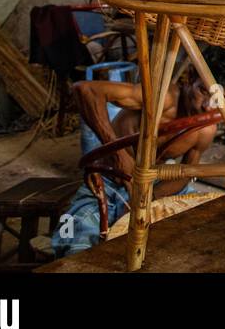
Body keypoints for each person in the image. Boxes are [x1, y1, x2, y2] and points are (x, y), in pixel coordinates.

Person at [52, 73, 215, 257]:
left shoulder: (206, 128)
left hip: (153, 185)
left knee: (207, 222)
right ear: (190, 79)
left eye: (219, 98)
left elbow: (185, 174)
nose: (208, 105)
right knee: (75, 241)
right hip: (108, 183)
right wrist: (119, 154)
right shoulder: (162, 97)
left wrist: (150, 197)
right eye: (203, 91)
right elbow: (84, 89)